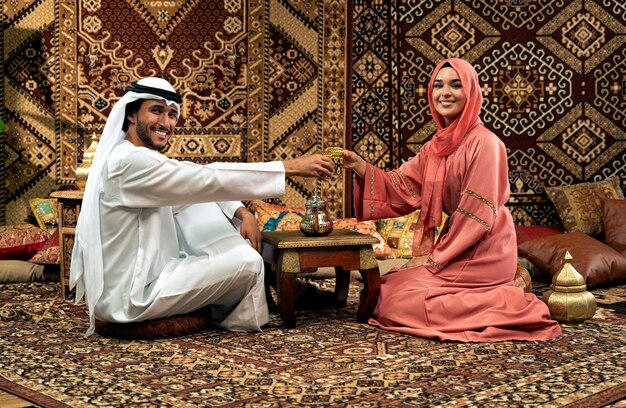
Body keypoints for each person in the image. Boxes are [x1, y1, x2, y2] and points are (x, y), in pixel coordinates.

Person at [70, 77, 335, 336]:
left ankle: (262, 281)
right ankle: (258, 289)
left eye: (172, 114)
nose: (166, 122)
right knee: (249, 263)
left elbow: (193, 185)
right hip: (133, 298)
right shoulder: (128, 162)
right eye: (156, 111)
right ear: (131, 115)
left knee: (200, 204)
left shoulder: (135, 158)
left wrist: (242, 212)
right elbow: (204, 177)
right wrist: (288, 167)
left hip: (151, 275)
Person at [342, 58, 562, 342]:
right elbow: (402, 186)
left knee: (398, 301)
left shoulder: (486, 144)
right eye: (438, 85)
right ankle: (497, 294)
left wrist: (432, 259)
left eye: (456, 85)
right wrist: (359, 165)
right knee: (385, 288)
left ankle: (508, 302)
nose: (445, 92)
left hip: (484, 248)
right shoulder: (435, 147)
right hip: (456, 245)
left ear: (471, 92)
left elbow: (475, 215)